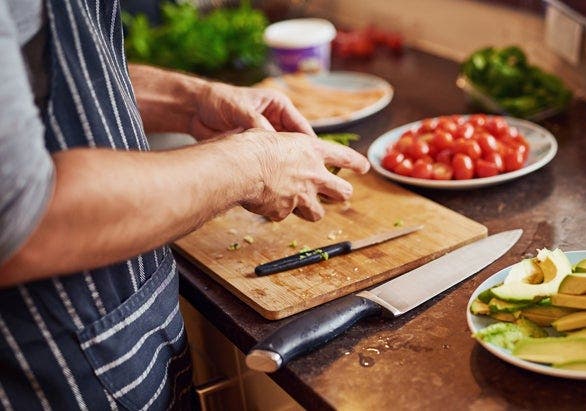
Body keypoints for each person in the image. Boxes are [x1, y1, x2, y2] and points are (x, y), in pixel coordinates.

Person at [0, 0, 369, 409]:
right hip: (49, 375)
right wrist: (253, 165)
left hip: (118, 339)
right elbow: (22, 219)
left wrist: (190, 100)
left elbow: (43, 80)